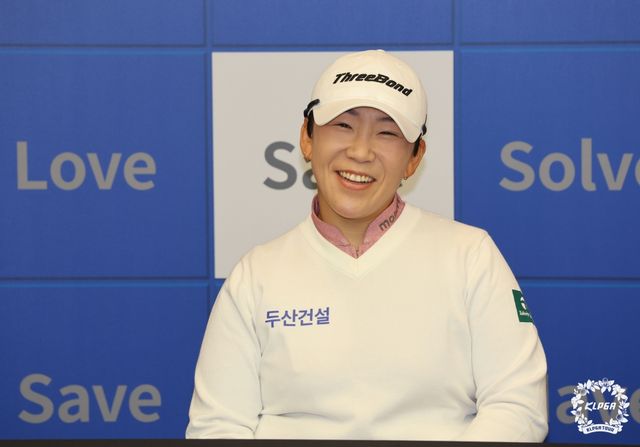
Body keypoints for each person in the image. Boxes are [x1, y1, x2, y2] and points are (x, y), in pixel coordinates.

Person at [186, 50, 548, 441]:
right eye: (343, 125)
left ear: (414, 157)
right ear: (307, 137)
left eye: (387, 133)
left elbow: (517, 405)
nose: (360, 151)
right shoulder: (255, 275)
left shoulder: (471, 255)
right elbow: (218, 426)